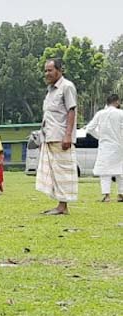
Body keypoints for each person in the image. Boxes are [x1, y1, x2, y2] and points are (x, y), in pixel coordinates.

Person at [36, 59, 78, 215]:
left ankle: (63, 206)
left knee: (63, 173)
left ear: (59, 70)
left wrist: (68, 135)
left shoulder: (67, 87)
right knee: (53, 173)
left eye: (50, 70)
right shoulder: (50, 90)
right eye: (45, 71)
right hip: (49, 136)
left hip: (61, 138)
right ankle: (59, 205)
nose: (47, 74)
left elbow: (71, 111)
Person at [86, 94, 123, 202]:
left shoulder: (100, 114)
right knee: (120, 170)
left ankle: (106, 195)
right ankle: (121, 194)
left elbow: (90, 128)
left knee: (105, 172)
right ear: (116, 102)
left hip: (105, 146)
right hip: (119, 145)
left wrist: (100, 137)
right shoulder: (121, 113)